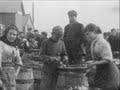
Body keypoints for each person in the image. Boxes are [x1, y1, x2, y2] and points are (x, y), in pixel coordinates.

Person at [84, 23, 120, 90]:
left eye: (88, 34)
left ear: (94, 32)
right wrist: (91, 62)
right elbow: (98, 58)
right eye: (86, 34)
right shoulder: (94, 42)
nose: (87, 36)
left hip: (108, 71)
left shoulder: (102, 42)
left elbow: (108, 60)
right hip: (101, 70)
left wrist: (94, 63)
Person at [39, 26, 68, 90]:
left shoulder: (61, 42)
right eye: (57, 36)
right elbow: (41, 56)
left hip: (57, 70)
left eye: (60, 37)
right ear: (52, 34)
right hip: (47, 71)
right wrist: (50, 58)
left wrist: (65, 58)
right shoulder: (45, 42)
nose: (58, 38)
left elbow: (64, 54)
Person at [0, 24, 22, 90]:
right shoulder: (1, 44)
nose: (12, 36)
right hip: (1, 74)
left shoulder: (15, 47)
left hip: (11, 76)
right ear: (6, 33)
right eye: (10, 33)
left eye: (14, 35)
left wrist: (15, 73)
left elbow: (19, 62)